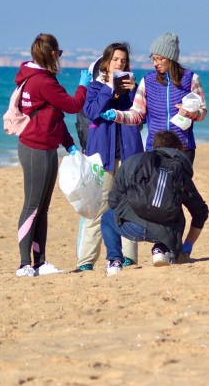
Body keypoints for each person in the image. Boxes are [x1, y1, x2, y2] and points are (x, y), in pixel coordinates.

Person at [14, 33, 90, 277]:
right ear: (52, 54)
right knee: (32, 206)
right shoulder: (43, 82)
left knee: (42, 208)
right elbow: (73, 106)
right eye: (59, 53)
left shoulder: (38, 79)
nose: (60, 57)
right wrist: (83, 85)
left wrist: (68, 144)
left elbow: (55, 116)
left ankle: (40, 262)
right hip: (35, 148)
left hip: (46, 146)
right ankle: (25, 264)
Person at [75, 42, 144, 272]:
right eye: (116, 60)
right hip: (101, 155)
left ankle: (129, 258)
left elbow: (140, 116)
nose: (120, 64)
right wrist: (109, 90)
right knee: (98, 207)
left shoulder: (131, 88)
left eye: (123, 61)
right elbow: (92, 112)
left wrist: (131, 91)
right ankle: (86, 261)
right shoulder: (95, 86)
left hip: (128, 153)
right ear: (106, 61)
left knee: (129, 205)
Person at [99, 130, 209, 276]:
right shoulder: (179, 169)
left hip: (131, 227)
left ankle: (114, 261)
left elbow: (114, 200)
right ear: (177, 149)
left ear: (153, 145)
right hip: (164, 233)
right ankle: (162, 249)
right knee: (178, 208)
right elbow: (200, 212)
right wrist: (186, 247)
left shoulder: (132, 162)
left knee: (107, 217)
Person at [101, 32, 207, 164]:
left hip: (183, 148)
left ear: (171, 57)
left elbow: (202, 113)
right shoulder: (147, 81)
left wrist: (191, 114)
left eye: (159, 59)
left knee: (179, 185)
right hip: (155, 149)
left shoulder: (191, 79)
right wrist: (116, 115)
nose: (155, 63)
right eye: (153, 58)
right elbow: (137, 115)